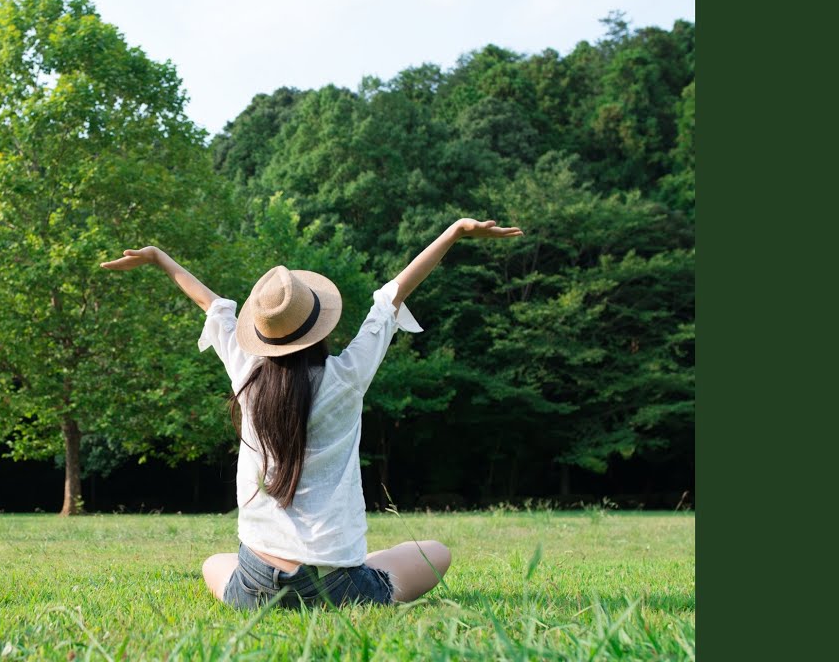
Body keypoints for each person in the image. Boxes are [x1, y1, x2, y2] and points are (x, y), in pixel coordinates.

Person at [101, 217, 523, 609]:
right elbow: (392, 296)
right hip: (338, 586)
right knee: (436, 553)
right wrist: (453, 233)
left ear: (263, 334)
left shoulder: (246, 375)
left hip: (257, 584)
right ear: (319, 326)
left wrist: (159, 257)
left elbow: (212, 306)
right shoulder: (346, 377)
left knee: (215, 562)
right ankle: (352, 568)